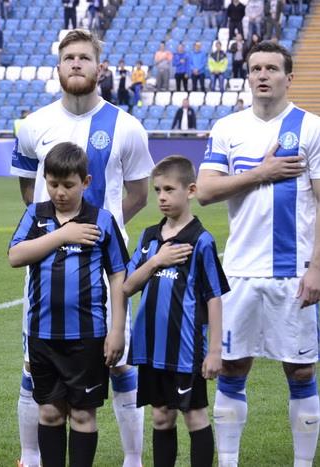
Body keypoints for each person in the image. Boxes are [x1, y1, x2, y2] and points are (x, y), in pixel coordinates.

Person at [11, 29, 153, 467]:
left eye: (84, 57)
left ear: (100, 68)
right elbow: (29, 191)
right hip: (45, 271)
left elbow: (138, 194)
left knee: (120, 362)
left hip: (103, 271)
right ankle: (30, 457)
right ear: (58, 67)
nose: (76, 63)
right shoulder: (34, 125)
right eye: (69, 57)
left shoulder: (127, 127)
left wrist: (99, 233)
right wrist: (58, 234)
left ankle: (133, 459)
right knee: (34, 365)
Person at [197, 41, 320, 467]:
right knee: (232, 368)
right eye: (255, 69)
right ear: (247, 76)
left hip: (294, 271)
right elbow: (205, 191)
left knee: (301, 371)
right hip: (239, 272)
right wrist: (262, 172)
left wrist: (317, 268)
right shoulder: (228, 128)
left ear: (289, 76)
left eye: (271, 68)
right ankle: (229, 462)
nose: (262, 75)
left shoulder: (311, 128)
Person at [8, 142, 129, 467]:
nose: (60, 192)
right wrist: (62, 235)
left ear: (85, 182)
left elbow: (119, 275)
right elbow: (15, 256)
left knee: (82, 415)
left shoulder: (101, 220)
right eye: (53, 184)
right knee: (49, 412)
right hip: (43, 335)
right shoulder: (36, 215)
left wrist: (117, 330)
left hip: (87, 336)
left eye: (68, 185)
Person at [123, 155, 229, 467]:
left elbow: (214, 298)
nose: (162, 197)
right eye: (157, 190)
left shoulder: (201, 241)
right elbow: (127, 286)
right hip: (151, 348)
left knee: (194, 416)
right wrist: (156, 261)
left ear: (191, 190)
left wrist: (214, 351)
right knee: (160, 417)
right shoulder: (149, 238)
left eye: (169, 189)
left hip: (185, 349)